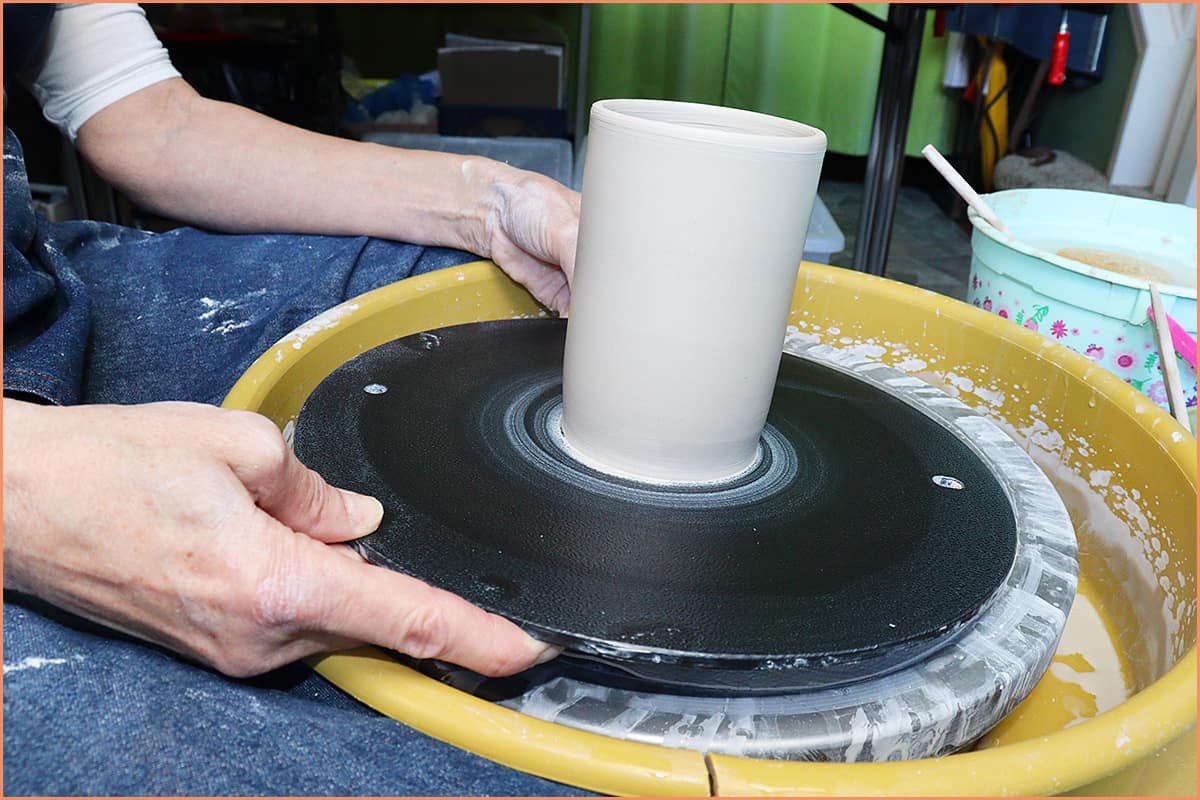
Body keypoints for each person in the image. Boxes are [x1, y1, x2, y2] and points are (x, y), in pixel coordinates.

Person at [3, 4, 587, 795]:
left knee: (486, 287)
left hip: (37, 293)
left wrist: (491, 200)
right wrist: (24, 489)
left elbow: (153, 123)